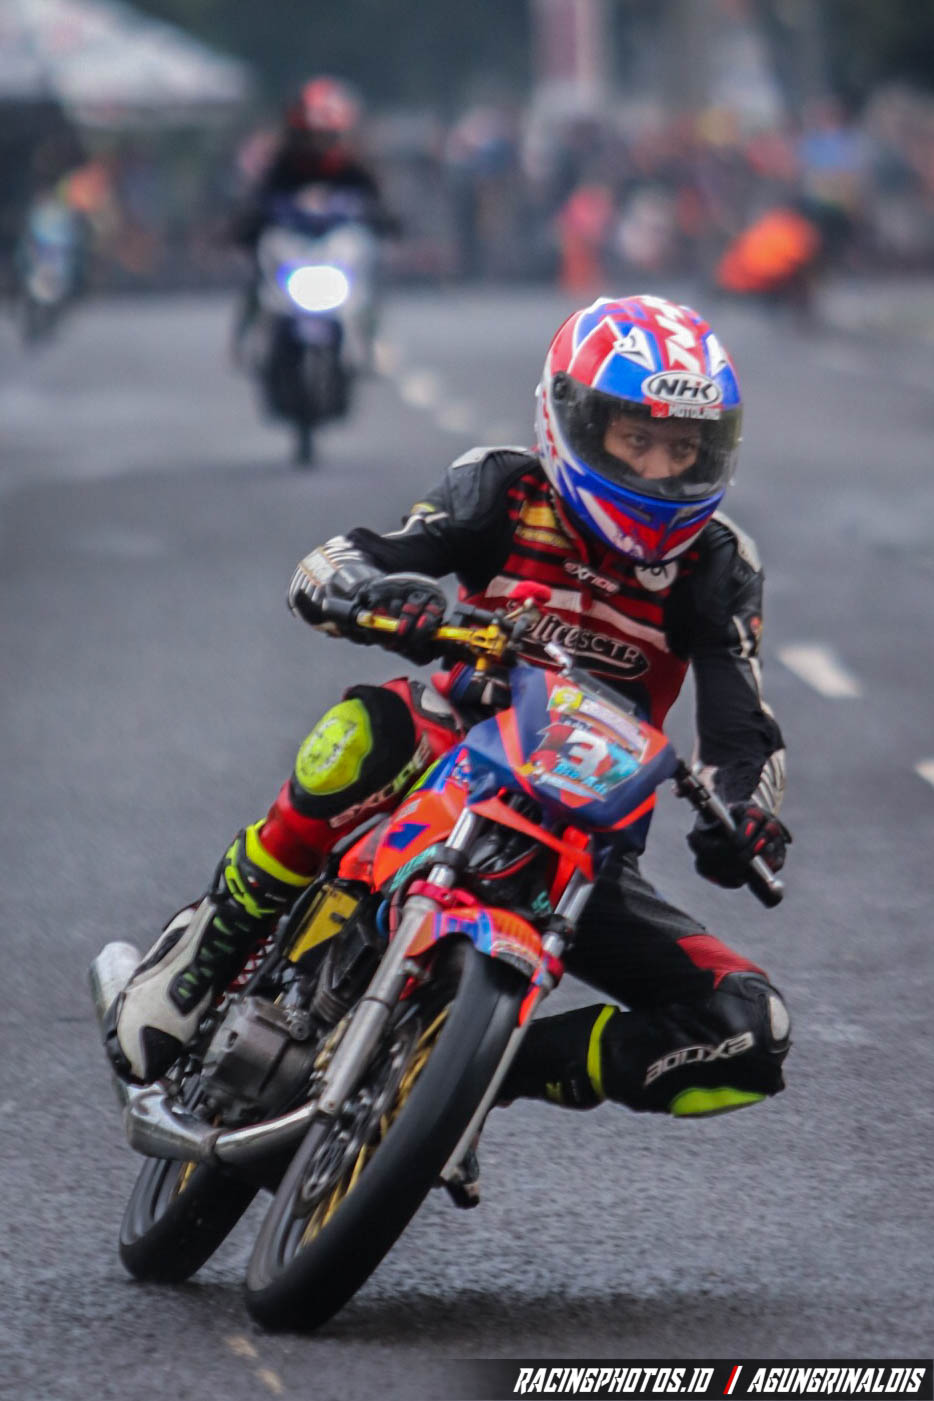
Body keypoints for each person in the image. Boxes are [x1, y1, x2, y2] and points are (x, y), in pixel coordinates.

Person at [108, 294, 791, 1150]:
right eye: (636, 440)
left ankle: (482, 1068)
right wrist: (380, 598)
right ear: (575, 423)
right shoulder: (503, 485)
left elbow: (740, 726)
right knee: (360, 733)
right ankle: (211, 944)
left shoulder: (720, 560)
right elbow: (350, 560)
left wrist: (745, 817)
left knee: (750, 1026)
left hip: (583, 842)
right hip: (452, 746)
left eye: (683, 449)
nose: (660, 471)